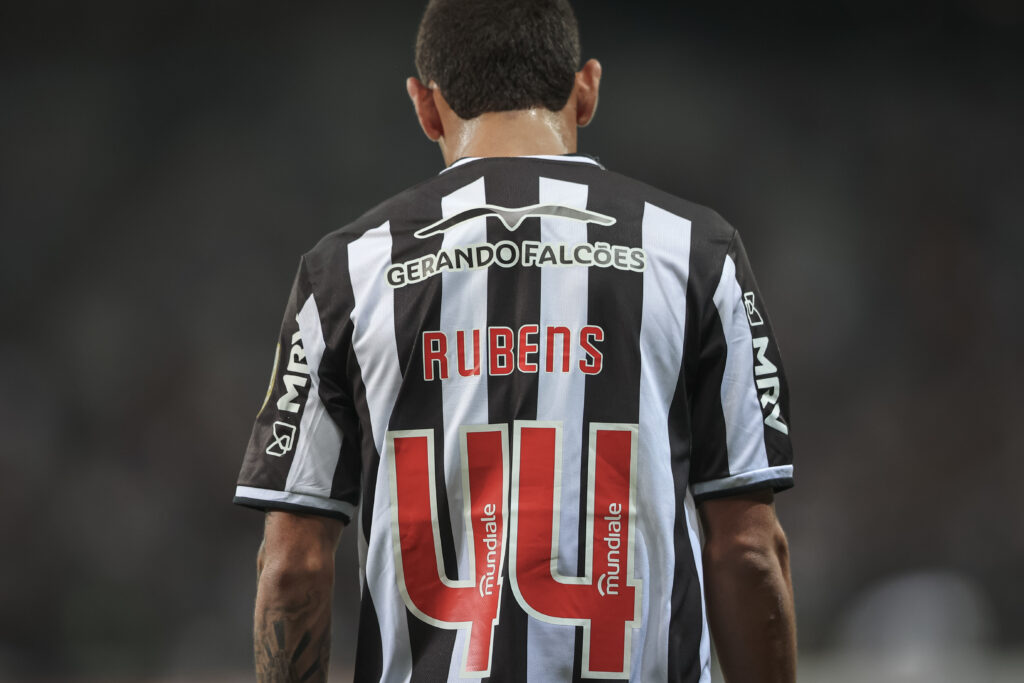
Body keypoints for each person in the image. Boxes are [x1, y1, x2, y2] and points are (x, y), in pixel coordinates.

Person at [233, 0, 797, 681]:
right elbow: (746, 552)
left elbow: (292, 567)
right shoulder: (697, 254)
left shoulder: (344, 273)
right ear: (586, 90)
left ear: (426, 107)